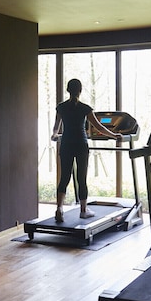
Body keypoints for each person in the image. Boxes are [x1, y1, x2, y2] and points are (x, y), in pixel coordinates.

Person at [51, 78, 123, 222]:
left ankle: (59, 208)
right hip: (81, 144)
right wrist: (114, 136)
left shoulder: (61, 107)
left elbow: (56, 126)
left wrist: (54, 135)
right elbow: (99, 127)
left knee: (64, 177)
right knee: (81, 178)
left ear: (67, 90)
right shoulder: (85, 108)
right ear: (80, 90)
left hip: (66, 144)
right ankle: (83, 210)